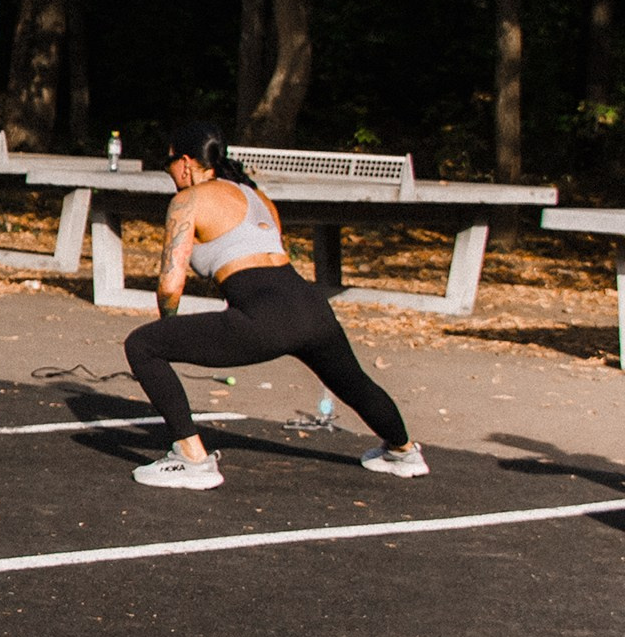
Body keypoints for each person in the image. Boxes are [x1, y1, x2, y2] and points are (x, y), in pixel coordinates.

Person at [123, 122, 428, 491]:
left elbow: (171, 286)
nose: (169, 172)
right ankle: (403, 451)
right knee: (354, 383)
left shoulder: (188, 200)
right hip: (312, 308)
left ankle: (192, 459)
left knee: (143, 345)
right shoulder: (257, 197)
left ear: (186, 163)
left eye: (168, 163)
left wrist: (167, 329)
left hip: (264, 317)